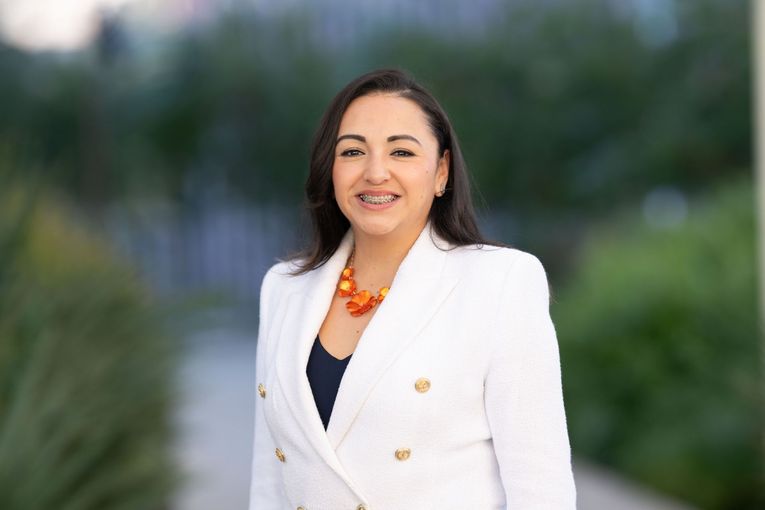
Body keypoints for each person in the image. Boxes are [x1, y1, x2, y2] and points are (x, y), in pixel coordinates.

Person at [248, 68, 576, 509]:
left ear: (441, 172)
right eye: (352, 152)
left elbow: (541, 484)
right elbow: (270, 480)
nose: (376, 172)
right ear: (331, 170)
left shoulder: (500, 282)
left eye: (401, 151)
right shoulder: (284, 288)